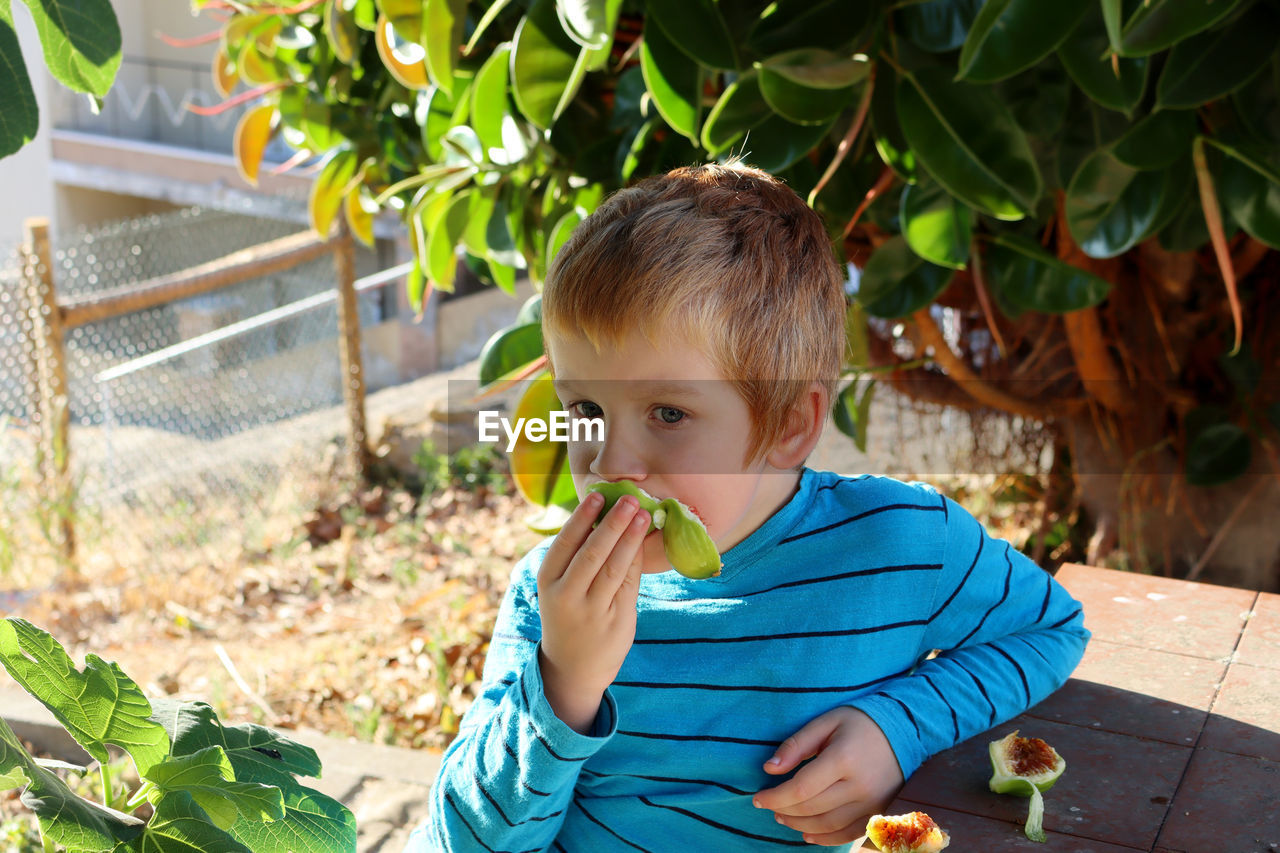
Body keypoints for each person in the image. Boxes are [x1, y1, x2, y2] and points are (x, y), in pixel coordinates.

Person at [406, 162, 1090, 851]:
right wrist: (563, 683)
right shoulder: (551, 600)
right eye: (586, 407)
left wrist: (900, 727)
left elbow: (1051, 629)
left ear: (790, 423)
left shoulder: (900, 545)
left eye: (668, 412)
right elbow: (460, 841)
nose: (610, 463)